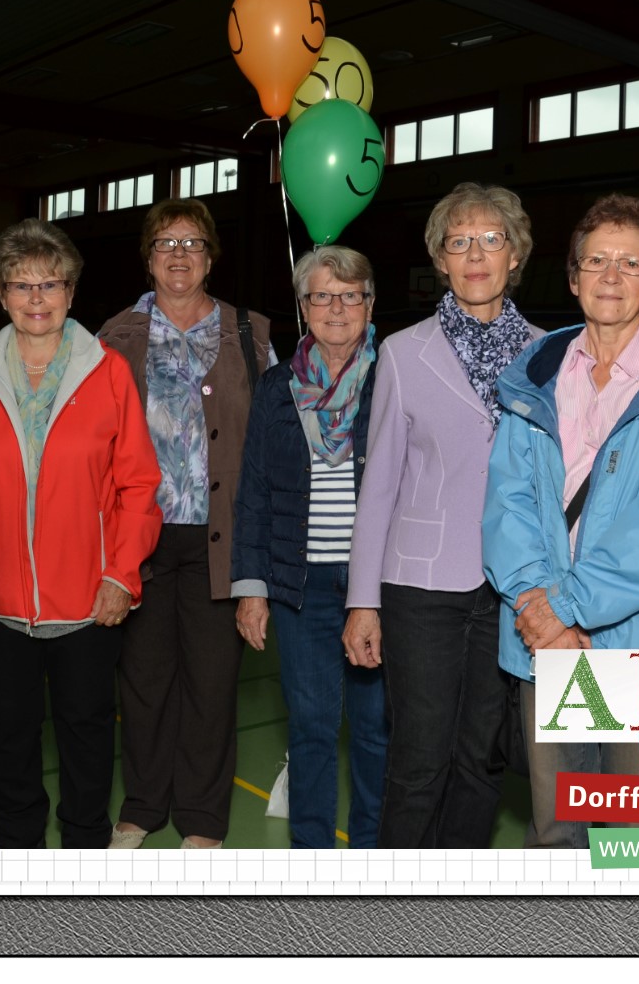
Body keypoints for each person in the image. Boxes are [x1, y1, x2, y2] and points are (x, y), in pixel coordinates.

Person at [482, 194, 639, 848]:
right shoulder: (532, 372)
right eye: (596, 260)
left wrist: (569, 606)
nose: (611, 276)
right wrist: (542, 610)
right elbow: (507, 501)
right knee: (555, 829)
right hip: (544, 637)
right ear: (572, 277)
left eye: (631, 264)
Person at [0, 219, 162, 848]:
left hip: (88, 603)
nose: (37, 298)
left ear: (70, 291)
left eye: (50, 284)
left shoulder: (108, 372)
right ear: (1, 294)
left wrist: (121, 575)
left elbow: (138, 485)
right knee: (9, 741)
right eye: (21, 285)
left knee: (88, 739)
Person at [345, 182, 543, 849]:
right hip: (421, 584)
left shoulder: (550, 354)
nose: (476, 254)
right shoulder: (403, 352)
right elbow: (378, 485)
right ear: (440, 260)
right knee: (419, 760)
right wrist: (362, 602)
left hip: (511, 588)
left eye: (491, 239)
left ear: (515, 254)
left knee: (482, 761)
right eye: (459, 242)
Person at [100, 198, 274, 850]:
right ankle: (142, 807)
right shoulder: (113, 336)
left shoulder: (250, 334)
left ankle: (202, 819)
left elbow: (271, 443)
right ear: (148, 258)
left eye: (192, 243)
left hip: (219, 537)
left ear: (211, 256)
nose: (179, 255)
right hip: (140, 538)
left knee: (211, 682)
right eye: (166, 243)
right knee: (143, 683)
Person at [232, 246, 387, 849]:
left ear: (370, 304)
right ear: (303, 306)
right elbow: (253, 490)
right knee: (312, 728)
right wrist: (252, 589)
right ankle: (313, 859)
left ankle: (374, 857)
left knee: (375, 731)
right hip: (300, 586)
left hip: (376, 584)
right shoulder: (278, 386)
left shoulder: (392, 378)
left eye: (350, 296)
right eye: (322, 296)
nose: (337, 309)